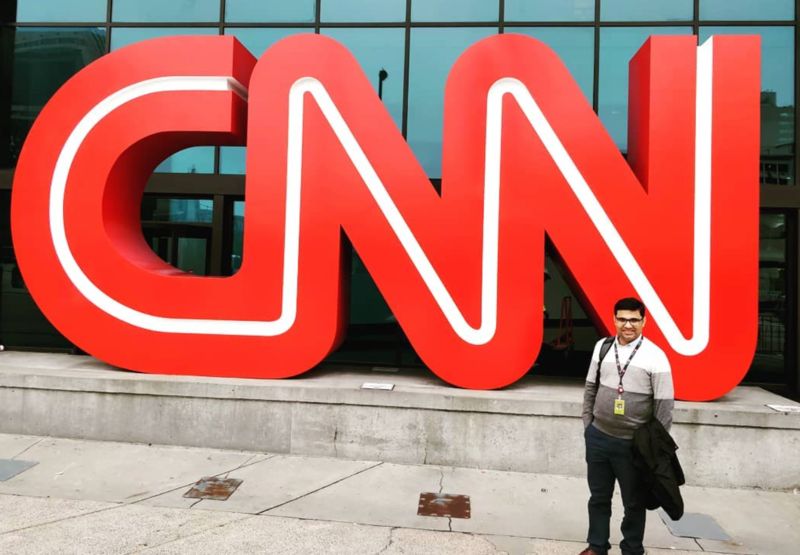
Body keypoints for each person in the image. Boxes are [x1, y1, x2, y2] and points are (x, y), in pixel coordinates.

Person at [579, 297, 674, 555]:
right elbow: (590, 389)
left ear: (644, 321)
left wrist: (652, 446)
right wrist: (589, 426)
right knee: (598, 498)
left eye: (634, 319)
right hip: (598, 438)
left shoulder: (656, 356)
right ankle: (596, 546)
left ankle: (632, 549)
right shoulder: (603, 347)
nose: (628, 325)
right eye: (622, 319)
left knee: (634, 502)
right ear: (614, 320)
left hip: (633, 446)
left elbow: (664, 407)